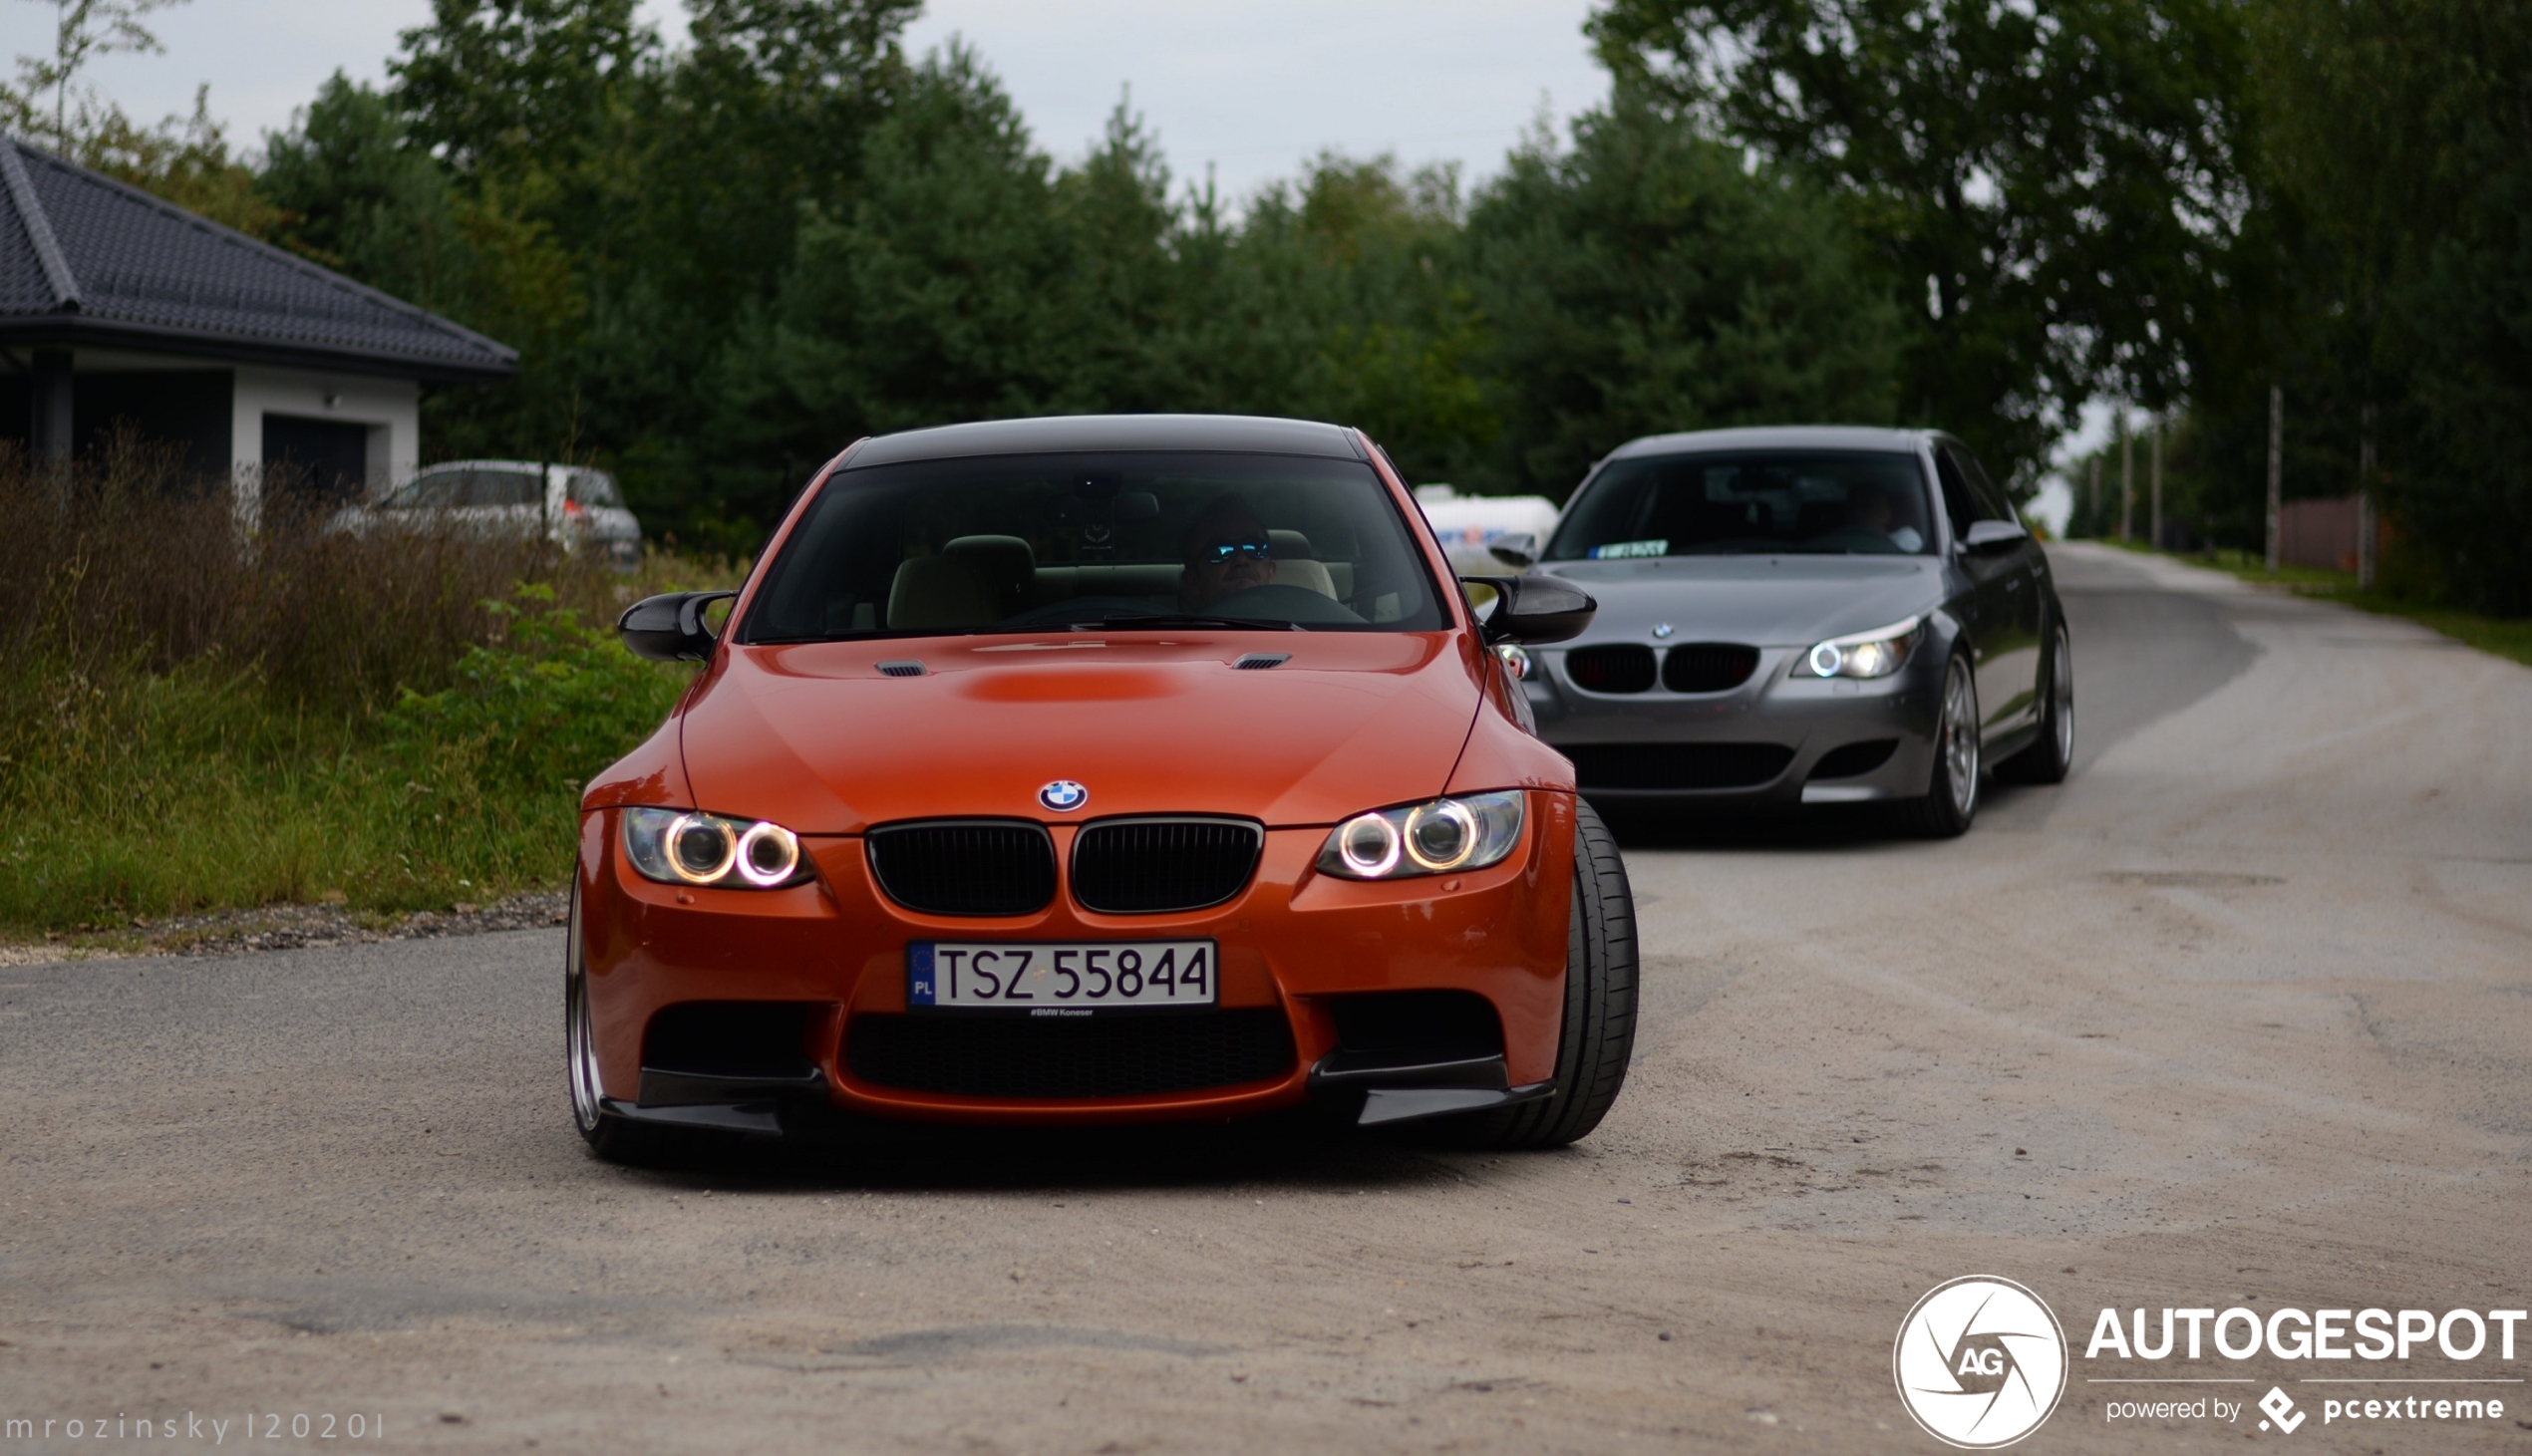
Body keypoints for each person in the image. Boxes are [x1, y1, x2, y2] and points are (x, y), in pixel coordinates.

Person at [1178, 493, 1278, 611]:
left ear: (1271, 571)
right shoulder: (1171, 629)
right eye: (1221, 552)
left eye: (1255, 548)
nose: (1241, 560)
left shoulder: (1299, 626)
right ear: (1193, 581)